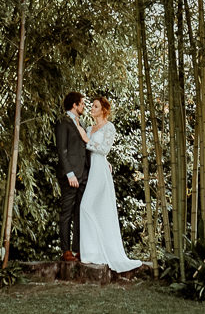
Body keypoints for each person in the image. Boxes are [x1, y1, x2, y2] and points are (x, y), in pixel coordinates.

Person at [77, 96, 144, 272]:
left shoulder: (109, 127)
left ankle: (98, 252)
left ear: (104, 110)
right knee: (92, 209)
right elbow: (87, 150)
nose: (92, 108)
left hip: (100, 171)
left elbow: (104, 149)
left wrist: (87, 141)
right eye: (91, 106)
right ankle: (92, 252)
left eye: (96, 106)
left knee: (86, 206)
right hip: (92, 169)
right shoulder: (90, 127)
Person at [55, 90, 90, 262]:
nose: (84, 106)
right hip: (70, 176)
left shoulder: (81, 122)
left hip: (83, 174)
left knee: (80, 213)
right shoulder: (63, 122)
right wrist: (70, 173)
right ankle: (65, 250)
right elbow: (62, 151)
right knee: (67, 213)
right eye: (82, 103)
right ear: (74, 105)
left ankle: (77, 249)